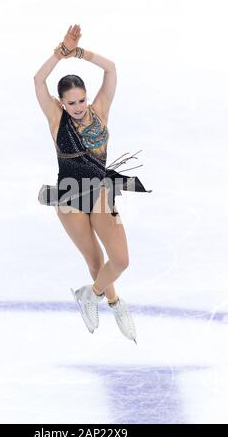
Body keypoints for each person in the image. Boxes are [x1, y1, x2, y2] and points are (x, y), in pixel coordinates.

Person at [33, 24, 152, 342]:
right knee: (95, 259)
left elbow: (111, 69)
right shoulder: (56, 119)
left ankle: (91, 295)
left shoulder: (100, 110)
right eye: (71, 103)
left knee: (121, 260)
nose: (79, 107)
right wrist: (59, 53)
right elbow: (37, 80)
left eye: (81, 100)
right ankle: (113, 301)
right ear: (61, 103)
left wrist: (80, 53)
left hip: (99, 192)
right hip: (69, 197)